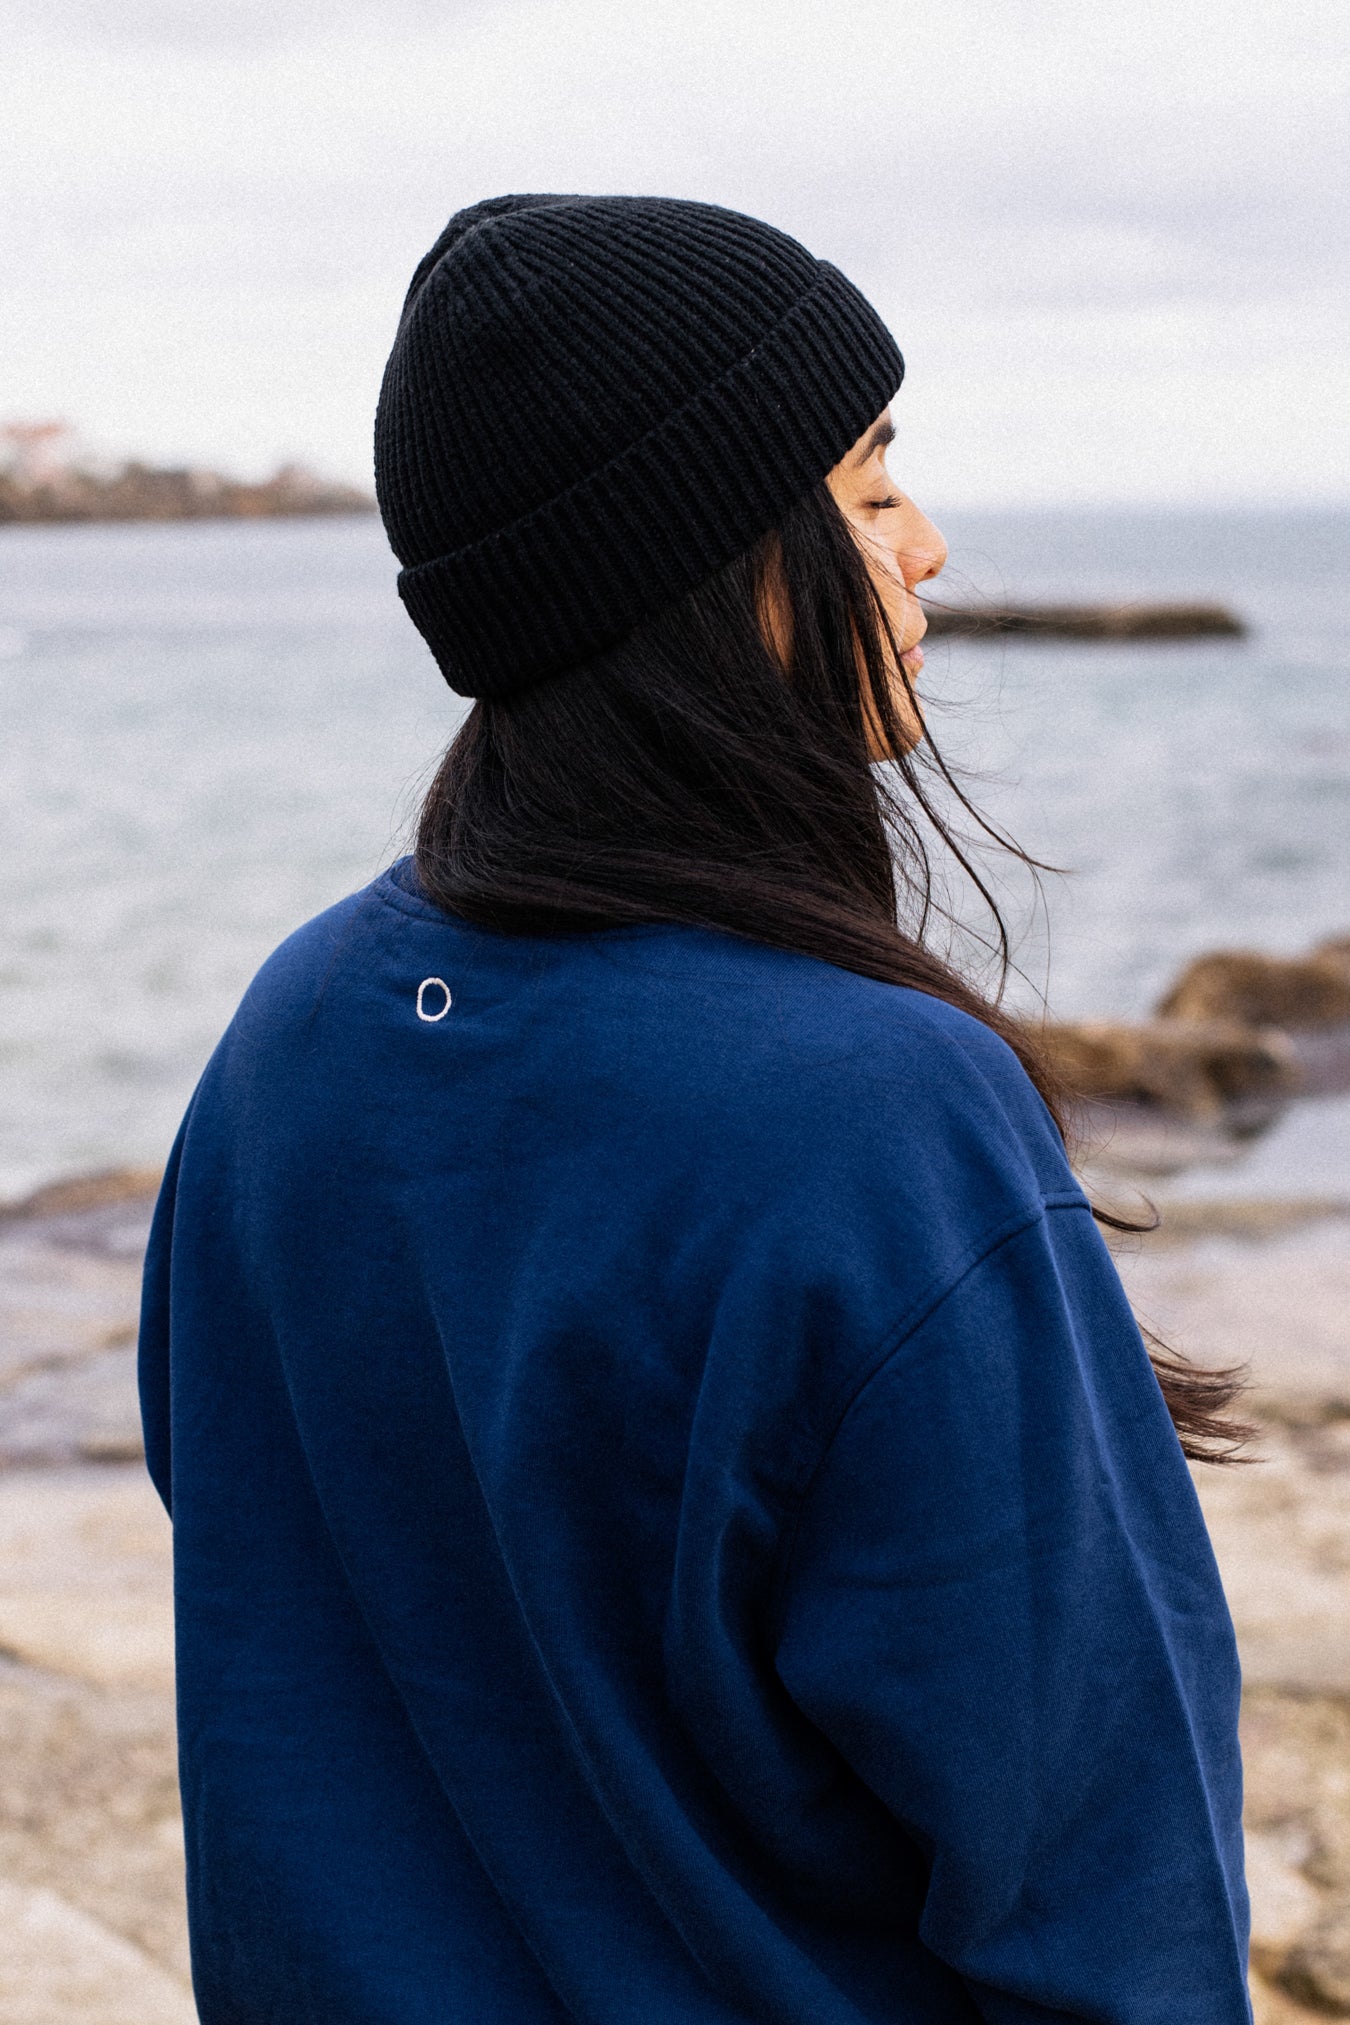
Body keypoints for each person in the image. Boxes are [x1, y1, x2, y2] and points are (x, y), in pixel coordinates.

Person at [139, 195, 1252, 2024]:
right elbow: (1097, 1873)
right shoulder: (870, 1117)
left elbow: (286, 1588)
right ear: (714, 564)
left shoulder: (294, 1032)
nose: (933, 547)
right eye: (873, 493)